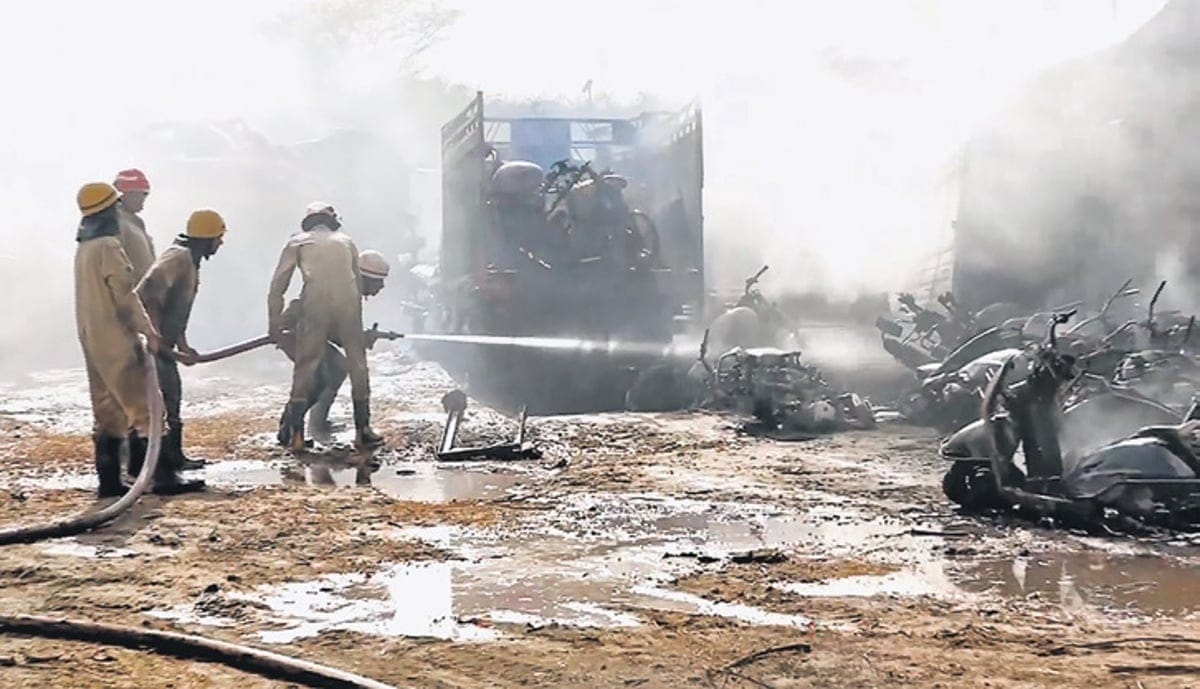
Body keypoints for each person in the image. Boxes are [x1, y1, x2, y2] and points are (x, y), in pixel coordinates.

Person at [268, 203, 381, 451]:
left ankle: (296, 435)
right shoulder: (347, 242)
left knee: (306, 368)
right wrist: (356, 330)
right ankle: (363, 431)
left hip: (314, 304)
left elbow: (278, 286)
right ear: (333, 222)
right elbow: (356, 283)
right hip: (348, 304)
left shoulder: (296, 242)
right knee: (358, 365)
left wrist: (273, 322)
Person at [73, 182, 162, 497]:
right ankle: (152, 476)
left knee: (107, 410)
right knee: (144, 409)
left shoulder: (85, 248)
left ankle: (110, 482)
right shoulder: (109, 246)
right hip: (115, 336)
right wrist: (149, 331)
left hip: (90, 336)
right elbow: (125, 294)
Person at [134, 209, 228, 491]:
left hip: (165, 346)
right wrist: (154, 336)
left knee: (172, 398)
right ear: (207, 237)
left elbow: (177, 307)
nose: (220, 244)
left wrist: (182, 344)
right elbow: (149, 293)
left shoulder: (190, 260)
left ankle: (174, 460)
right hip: (152, 347)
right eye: (218, 238)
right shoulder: (178, 257)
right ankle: (161, 475)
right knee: (160, 406)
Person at [274, 249, 391, 443]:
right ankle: (289, 431)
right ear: (366, 279)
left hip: (308, 334)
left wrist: (364, 336)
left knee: (337, 368)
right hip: (296, 334)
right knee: (318, 380)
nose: (382, 287)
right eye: (379, 281)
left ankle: (315, 423)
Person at [113, 168, 156, 283]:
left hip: (143, 296)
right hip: (128, 296)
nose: (143, 199)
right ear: (127, 193)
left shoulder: (137, 223)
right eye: (140, 194)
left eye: (145, 195)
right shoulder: (116, 222)